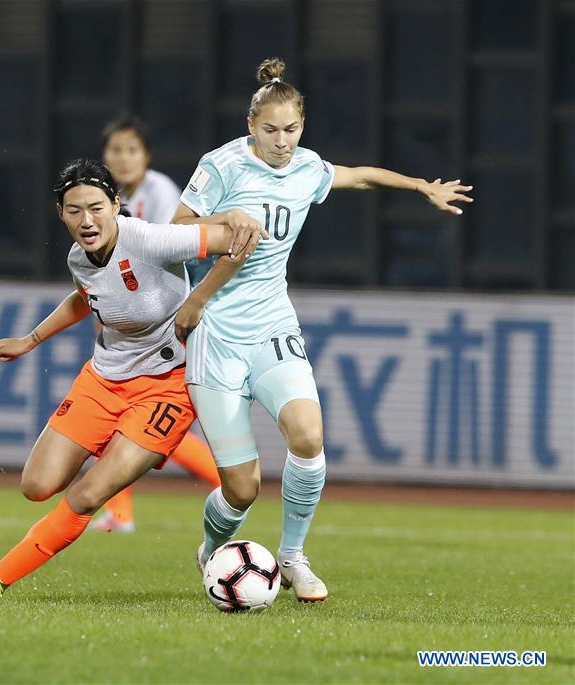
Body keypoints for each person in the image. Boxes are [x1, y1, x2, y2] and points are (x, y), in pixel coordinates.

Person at [173, 58, 472, 602]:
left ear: (302, 126)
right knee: (241, 488)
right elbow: (176, 230)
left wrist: (419, 186)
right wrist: (225, 221)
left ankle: (292, 556)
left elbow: (359, 175)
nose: (282, 141)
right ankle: (212, 549)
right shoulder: (221, 166)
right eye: (270, 130)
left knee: (308, 437)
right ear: (250, 126)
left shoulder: (308, 168)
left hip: (272, 324)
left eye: (291, 129)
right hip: (215, 333)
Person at [0, 159, 263, 601]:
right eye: (74, 211)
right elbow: (85, 297)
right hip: (104, 380)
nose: (86, 221)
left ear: (115, 204)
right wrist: (31, 339)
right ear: (60, 213)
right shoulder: (78, 257)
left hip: (167, 385)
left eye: (96, 208)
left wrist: (198, 299)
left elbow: (240, 240)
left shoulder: (147, 239)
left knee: (88, 494)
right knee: (36, 485)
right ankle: (117, 442)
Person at [93, 114, 220, 533]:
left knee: (151, 420)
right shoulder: (104, 199)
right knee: (133, 419)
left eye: (132, 150)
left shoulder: (161, 192)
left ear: (146, 156)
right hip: (138, 316)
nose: (124, 158)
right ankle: (120, 514)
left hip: (171, 314)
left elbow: (170, 252)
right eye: (116, 150)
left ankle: (233, 484)